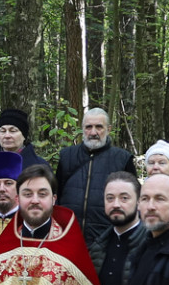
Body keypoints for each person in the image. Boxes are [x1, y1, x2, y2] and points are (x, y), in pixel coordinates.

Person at [55, 107, 135, 252]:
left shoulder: (123, 159)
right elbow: (56, 196)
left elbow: (133, 203)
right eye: (88, 127)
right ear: (82, 129)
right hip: (67, 238)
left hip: (106, 242)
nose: (93, 132)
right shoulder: (67, 156)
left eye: (99, 127)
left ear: (108, 129)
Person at [0, 107, 49, 209]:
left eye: (13, 131)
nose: (7, 135)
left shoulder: (40, 167)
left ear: (24, 135)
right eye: (2, 131)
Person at [94, 171, 144, 285]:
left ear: (139, 201)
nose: (116, 204)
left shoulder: (152, 246)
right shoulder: (97, 247)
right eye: (110, 198)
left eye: (124, 198)